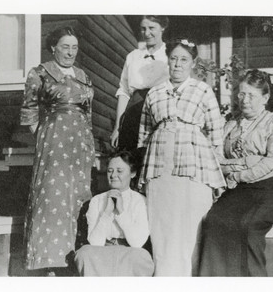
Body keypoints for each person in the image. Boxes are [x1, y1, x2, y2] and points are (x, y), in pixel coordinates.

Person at [138, 38, 226, 276]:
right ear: (168, 60)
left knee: (190, 228)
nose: (177, 64)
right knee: (162, 228)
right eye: (174, 58)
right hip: (159, 169)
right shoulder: (155, 93)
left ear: (193, 63)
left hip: (193, 170)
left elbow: (216, 135)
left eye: (183, 59)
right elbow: (144, 136)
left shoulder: (202, 90)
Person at [197, 69, 273, 277]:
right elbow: (216, 160)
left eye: (251, 95)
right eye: (241, 94)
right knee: (212, 222)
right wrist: (249, 161)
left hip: (270, 191)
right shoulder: (230, 125)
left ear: (265, 98)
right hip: (237, 193)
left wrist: (238, 172)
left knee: (248, 226)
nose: (245, 100)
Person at [20, 26, 95, 276]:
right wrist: (45, 138)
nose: (70, 52)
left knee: (78, 198)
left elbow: (88, 113)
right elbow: (29, 112)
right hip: (54, 144)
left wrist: (89, 146)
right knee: (53, 198)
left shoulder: (83, 75)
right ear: (53, 47)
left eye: (74, 47)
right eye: (65, 46)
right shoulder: (40, 73)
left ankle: (74, 260)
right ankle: (50, 263)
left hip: (80, 146)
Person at [74, 151, 154, 276]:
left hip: (129, 253)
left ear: (133, 173)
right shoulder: (97, 200)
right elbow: (95, 243)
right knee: (84, 253)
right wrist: (107, 212)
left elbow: (137, 243)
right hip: (102, 253)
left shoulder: (141, 201)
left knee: (142, 257)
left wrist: (121, 212)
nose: (113, 175)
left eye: (119, 171)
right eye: (110, 171)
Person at [110, 16, 170, 151]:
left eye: (151, 28)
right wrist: (117, 128)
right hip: (134, 112)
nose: (147, 33)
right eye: (143, 29)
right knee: (130, 155)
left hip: (159, 111)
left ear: (163, 27)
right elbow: (124, 92)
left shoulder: (170, 55)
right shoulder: (133, 56)